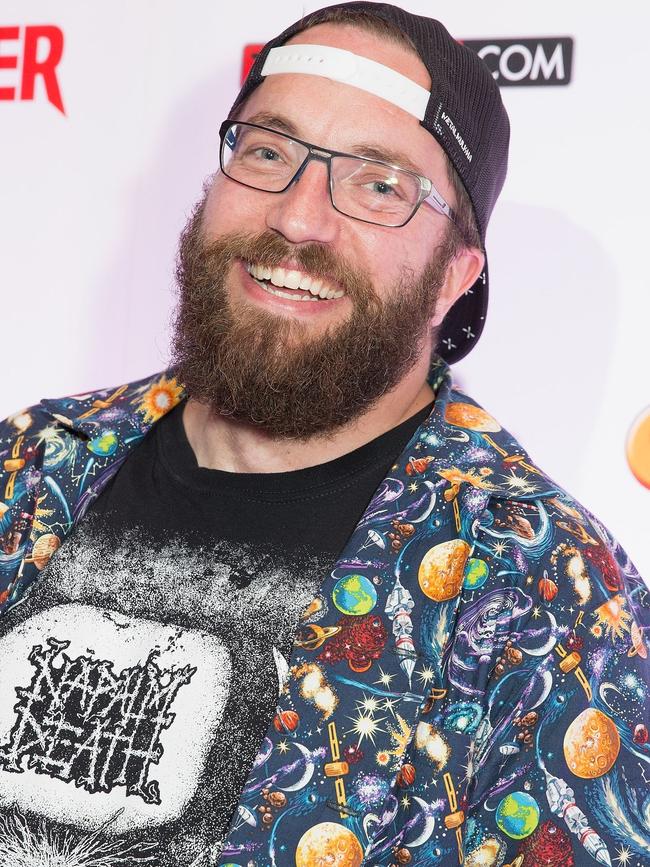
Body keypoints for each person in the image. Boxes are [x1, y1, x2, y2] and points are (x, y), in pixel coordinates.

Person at [0, 2, 647, 865]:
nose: (299, 218)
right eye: (268, 151)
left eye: (378, 184)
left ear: (458, 273)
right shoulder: (31, 462)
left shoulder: (539, 586)